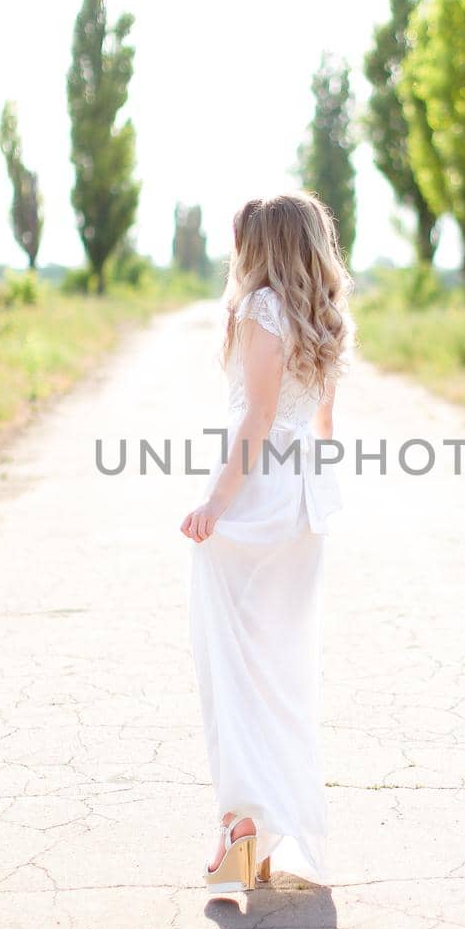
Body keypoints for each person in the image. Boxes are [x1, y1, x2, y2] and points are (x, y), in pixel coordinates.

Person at [181, 192, 354, 893]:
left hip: (255, 494)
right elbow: (322, 424)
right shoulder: (325, 314)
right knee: (282, 665)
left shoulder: (259, 310)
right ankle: (262, 825)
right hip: (302, 500)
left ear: (262, 244)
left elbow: (255, 418)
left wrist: (214, 501)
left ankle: (243, 829)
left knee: (230, 660)